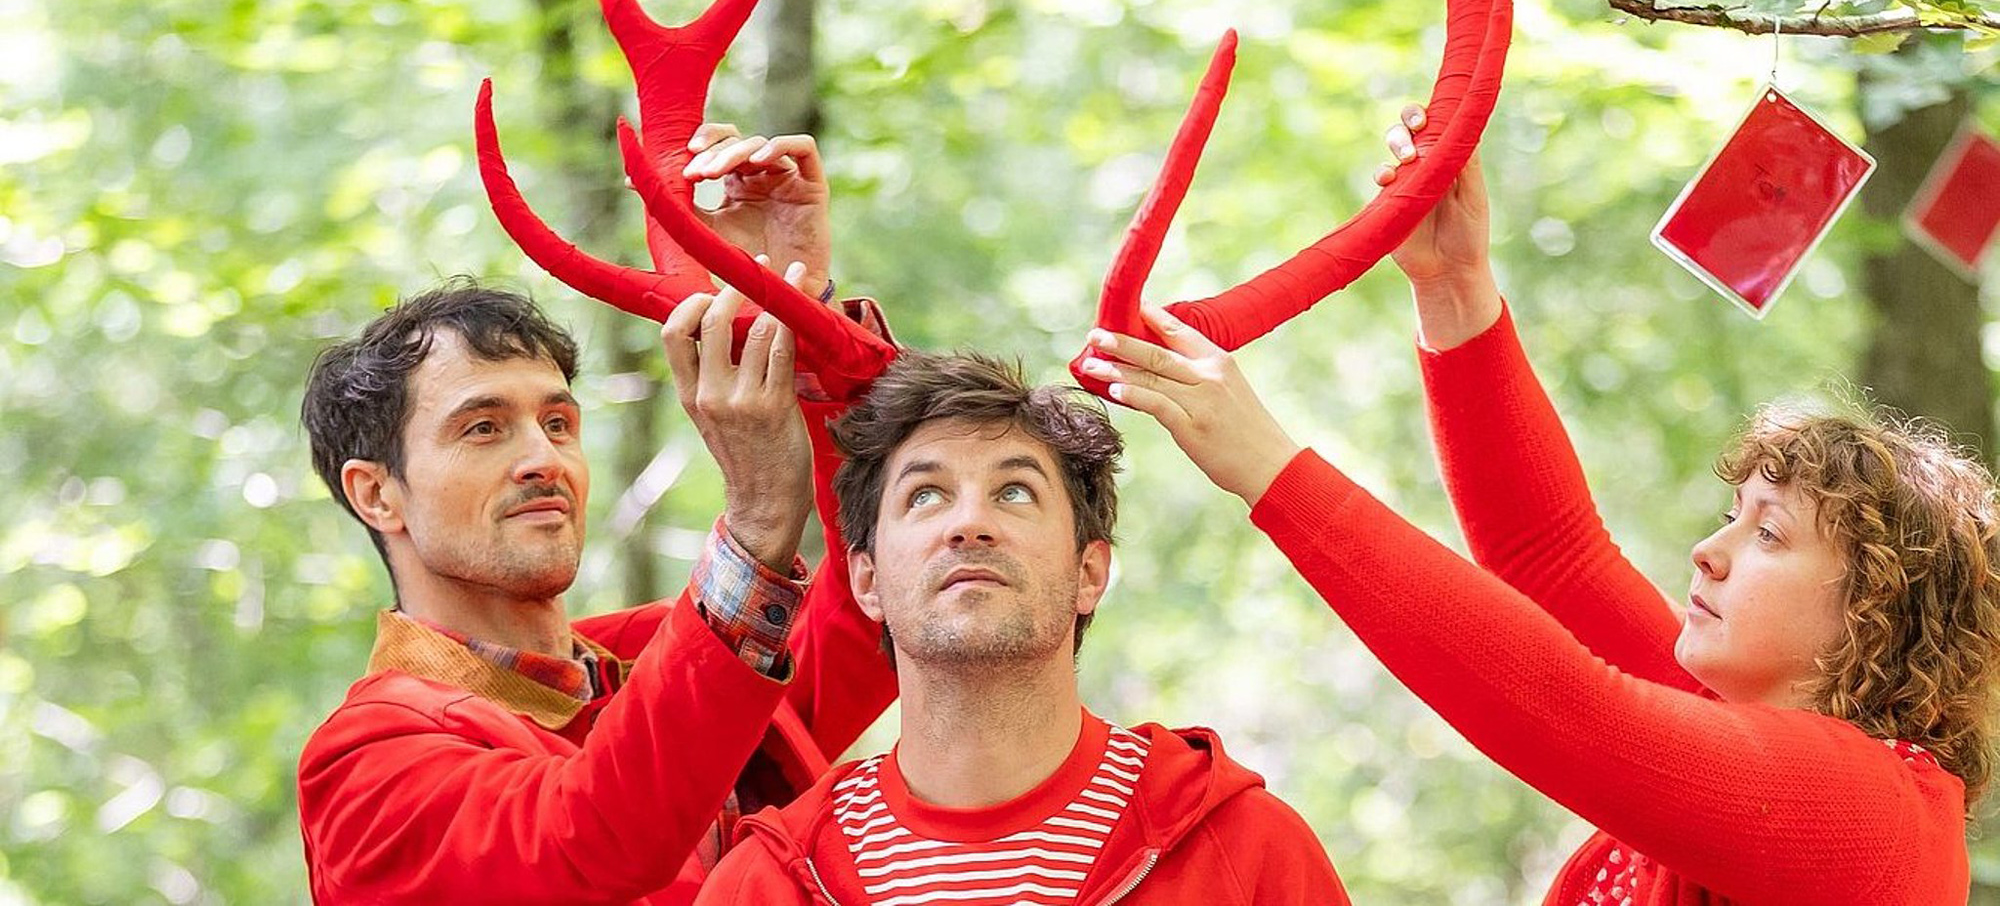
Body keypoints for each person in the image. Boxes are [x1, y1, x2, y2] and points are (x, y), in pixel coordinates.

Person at [1081, 104, 2000, 905]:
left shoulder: (1881, 818)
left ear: (1878, 610)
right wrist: (1453, 284)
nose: (1708, 552)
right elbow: (1547, 550)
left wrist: (1267, 464)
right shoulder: (1742, 726)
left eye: (1769, 532)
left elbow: (1574, 711)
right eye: (1734, 515)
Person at [296, 125, 896, 904]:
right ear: (377, 493)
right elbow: (592, 839)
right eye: (483, 428)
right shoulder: (366, 762)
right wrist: (755, 523)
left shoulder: (652, 654)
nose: (542, 457)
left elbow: (884, 610)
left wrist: (792, 312)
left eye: (557, 422)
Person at [693, 350, 1350, 905]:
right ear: (867, 582)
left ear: (1089, 571)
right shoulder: (764, 883)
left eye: (1014, 492)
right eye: (925, 494)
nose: (969, 523)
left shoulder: (1248, 848)